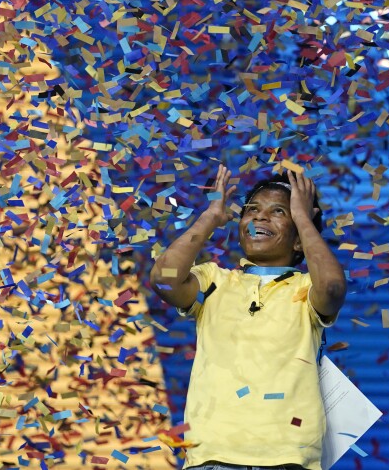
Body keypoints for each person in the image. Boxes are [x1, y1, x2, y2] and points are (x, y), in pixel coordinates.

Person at [149, 165, 347, 470]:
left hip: (288, 459)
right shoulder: (213, 281)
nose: (259, 216)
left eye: (279, 211)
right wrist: (209, 218)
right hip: (211, 458)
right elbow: (164, 280)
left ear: (298, 240)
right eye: (252, 209)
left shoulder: (307, 289)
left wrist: (304, 219)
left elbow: (332, 288)